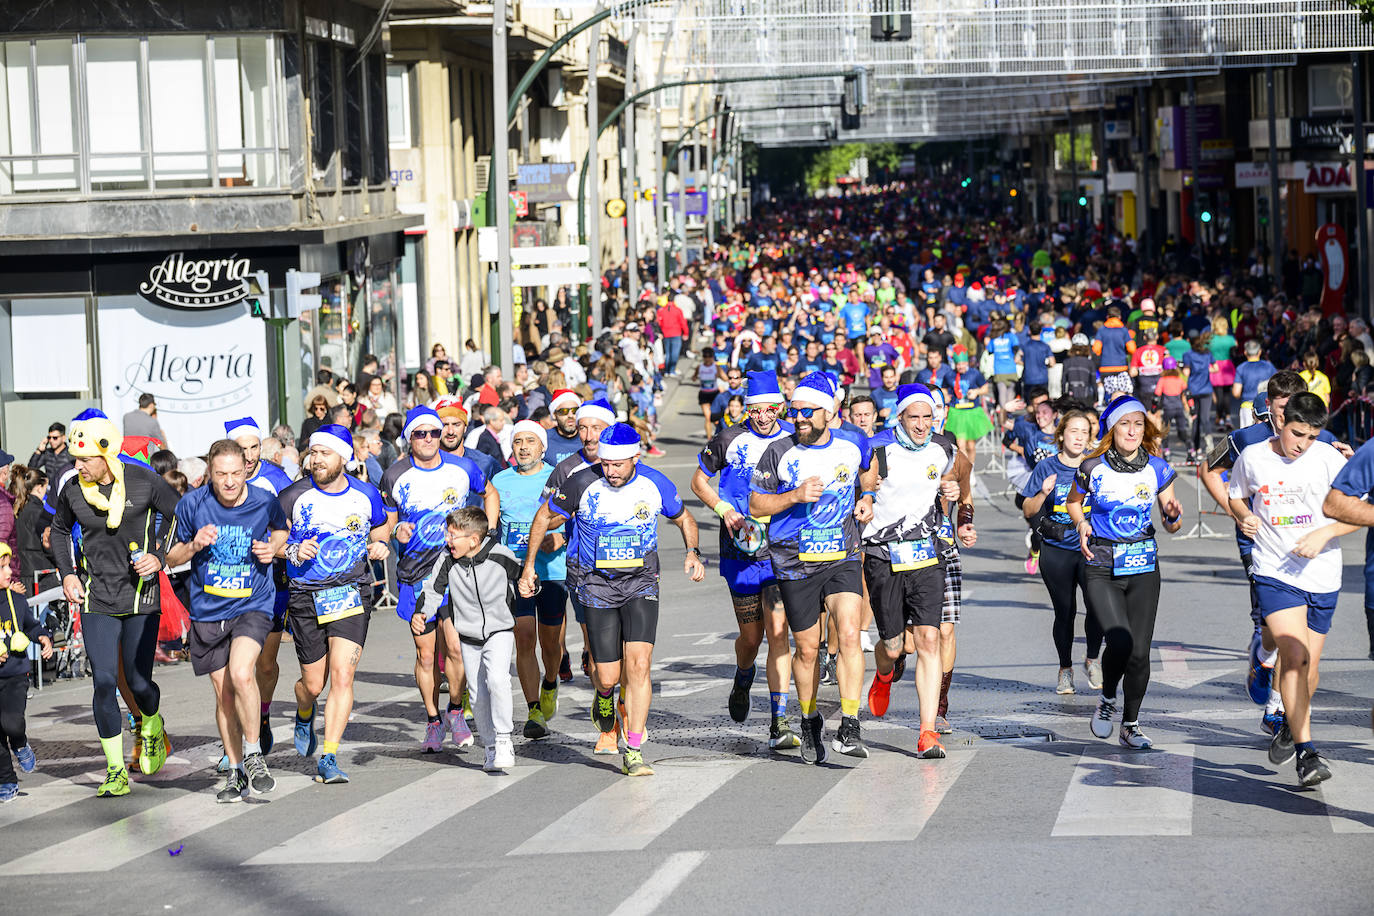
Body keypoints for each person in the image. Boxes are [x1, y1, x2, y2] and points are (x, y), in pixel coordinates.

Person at [519, 423, 705, 777]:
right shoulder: (580, 482)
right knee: (607, 675)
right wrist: (530, 567)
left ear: (636, 456)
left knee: (639, 665)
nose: (611, 471)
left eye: (618, 464)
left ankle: (633, 748)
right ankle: (604, 696)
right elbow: (545, 515)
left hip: (641, 584)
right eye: (605, 464)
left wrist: (692, 552)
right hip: (596, 586)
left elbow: (684, 518)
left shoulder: (655, 483)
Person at [51, 409, 180, 797]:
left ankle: (152, 725)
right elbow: (58, 530)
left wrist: (158, 554)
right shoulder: (72, 489)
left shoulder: (144, 481)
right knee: (105, 682)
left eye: (84, 458)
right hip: (96, 597)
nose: (78, 465)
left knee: (139, 681)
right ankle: (114, 771)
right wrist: (68, 573)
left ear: (106, 455)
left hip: (141, 596)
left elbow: (178, 516)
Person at [750, 372, 873, 763]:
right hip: (794, 561)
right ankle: (808, 718)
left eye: (808, 411)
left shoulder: (854, 442)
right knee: (806, 650)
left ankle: (850, 722)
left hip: (842, 553)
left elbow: (868, 468)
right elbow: (756, 505)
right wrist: (794, 496)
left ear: (829, 412)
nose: (799, 417)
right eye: (796, 411)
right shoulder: (779, 452)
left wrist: (867, 495)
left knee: (850, 633)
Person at [1228, 392, 1349, 785]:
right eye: (1298, 434)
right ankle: (1307, 754)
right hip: (1275, 571)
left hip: (1323, 574)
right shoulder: (1254, 457)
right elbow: (1236, 495)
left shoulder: (1329, 457)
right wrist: (1245, 516)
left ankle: (1290, 725)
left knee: (1309, 668)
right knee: (1294, 656)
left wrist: (1326, 533)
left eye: (1313, 436)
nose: (1303, 444)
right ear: (1281, 423)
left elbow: (1359, 510)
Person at [164, 439, 288, 802]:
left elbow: (280, 529)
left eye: (236, 473)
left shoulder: (264, 499)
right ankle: (234, 770)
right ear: (210, 473)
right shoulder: (192, 504)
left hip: (253, 602)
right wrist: (194, 545)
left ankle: (253, 754)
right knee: (224, 696)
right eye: (222, 474)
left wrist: (273, 548)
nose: (230, 481)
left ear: (247, 469)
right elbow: (170, 558)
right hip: (208, 610)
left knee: (242, 673)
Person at [691, 371, 800, 749]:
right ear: (747, 407)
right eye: (756, 408)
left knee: (778, 631)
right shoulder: (728, 439)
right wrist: (724, 510)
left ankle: (779, 720)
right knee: (751, 639)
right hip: (740, 545)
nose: (763, 415)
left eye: (771, 408)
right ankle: (743, 673)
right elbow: (698, 481)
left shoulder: (793, 437)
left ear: (780, 407)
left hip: (782, 546)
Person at [278, 424, 392, 784]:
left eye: (325, 454)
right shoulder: (292, 495)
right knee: (313, 684)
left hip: (350, 592)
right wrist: (293, 549)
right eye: (313, 453)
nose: (316, 460)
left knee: (343, 675)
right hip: (306, 596)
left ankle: (329, 756)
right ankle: (304, 709)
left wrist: (381, 544)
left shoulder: (365, 493)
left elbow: (381, 526)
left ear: (344, 456)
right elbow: (274, 541)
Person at [1067, 397, 1183, 749]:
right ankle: (1106, 700)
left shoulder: (1159, 470)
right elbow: (1074, 501)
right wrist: (1083, 523)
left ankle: (1130, 724)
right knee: (1119, 638)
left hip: (1144, 566)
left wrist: (1174, 516)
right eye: (1124, 424)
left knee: (1139, 652)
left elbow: (1171, 522)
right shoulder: (1092, 467)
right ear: (1112, 429)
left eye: (1138, 424)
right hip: (1102, 564)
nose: (1132, 431)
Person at [382, 406, 497, 752]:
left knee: (457, 650)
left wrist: (488, 531)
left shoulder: (462, 468)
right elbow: (385, 524)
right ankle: (433, 720)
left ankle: (456, 711)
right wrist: (395, 531)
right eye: (421, 433)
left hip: (457, 569)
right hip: (416, 574)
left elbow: (490, 493)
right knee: (426, 655)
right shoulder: (394, 475)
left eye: (434, 432)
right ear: (409, 439)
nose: (430, 439)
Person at [859, 384, 961, 758]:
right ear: (899, 417)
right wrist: (865, 495)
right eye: (913, 417)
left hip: (926, 552)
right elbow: (858, 488)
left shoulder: (943, 447)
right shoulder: (877, 449)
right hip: (883, 554)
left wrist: (954, 496)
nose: (921, 424)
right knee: (893, 644)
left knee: (928, 640)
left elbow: (958, 476)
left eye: (927, 416)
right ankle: (885, 674)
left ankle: (927, 730)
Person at [417, 508, 521, 771]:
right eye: (447, 534)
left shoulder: (500, 554)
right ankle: (489, 746)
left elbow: (523, 576)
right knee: (476, 696)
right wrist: (422, 614)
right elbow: (433, 590)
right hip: (468, 634)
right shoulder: (447, 559)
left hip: (499, 630)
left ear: (473, 540)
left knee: (498, 680)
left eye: (453, 535)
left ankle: (504, 739)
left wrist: (531, 585)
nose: (447, 540)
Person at [221, 417, 295, 769]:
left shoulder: (276, 478)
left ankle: (262, 714)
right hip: (231, 584)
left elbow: (290, 526)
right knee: (234, 669)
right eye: (243, 448)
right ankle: (234, 744)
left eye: (254, 447)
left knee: (264, 664)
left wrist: (274, 545)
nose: (249, 456)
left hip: (272, 579)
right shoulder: (221, 479)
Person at [1020, 409, 1104, 695]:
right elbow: (1028, 510)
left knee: (1097, 606)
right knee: (1065, 612)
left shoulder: (1096, 464)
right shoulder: (1046, 468)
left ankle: (1092, 659)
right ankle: (1065, 669)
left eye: (1085, 432)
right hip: (1057, 548)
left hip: (1090, 547)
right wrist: (1043, 493)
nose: (1079, 437)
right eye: (1074, 431)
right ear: (1061, 434)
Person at [492, 420, 567, 739]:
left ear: (542, 447)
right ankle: (534, 709)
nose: (523, 447)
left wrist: (559, 537)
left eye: (530, 441)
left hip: (551, 571)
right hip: (515, 572)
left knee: (552, 644)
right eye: (518, 441)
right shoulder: (499, 479)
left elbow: (572, 516)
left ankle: (551, 680)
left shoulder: (557, 477)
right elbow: (492, 525)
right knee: (523, 635)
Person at [0, 542, 54, 801]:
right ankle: (6, 780)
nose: (9, 572)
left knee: (11, 723)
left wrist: (42, 637)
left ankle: (20, 743)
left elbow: (31, 626)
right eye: (2, 568)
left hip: (14, 674)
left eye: (8, 566)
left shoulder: (17, 600)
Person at [943, 350, 992, 477]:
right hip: (957, 412)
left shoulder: (975, 374)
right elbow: (944, 388)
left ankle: (971, 468)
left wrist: (976, 392)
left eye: (963, 363)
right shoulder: (949, 375)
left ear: (967, 363)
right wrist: (945, 397)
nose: (961, 366)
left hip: (972, 412)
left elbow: (985, 388)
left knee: (971, 445)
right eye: (958, 364)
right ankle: (965, 472)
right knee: (961, 445)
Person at [543, 389, 584, 468]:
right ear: (554, 414)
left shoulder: (587, 437)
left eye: (575, 410)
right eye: (564, 411)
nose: (570, 415)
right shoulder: (544, 439)